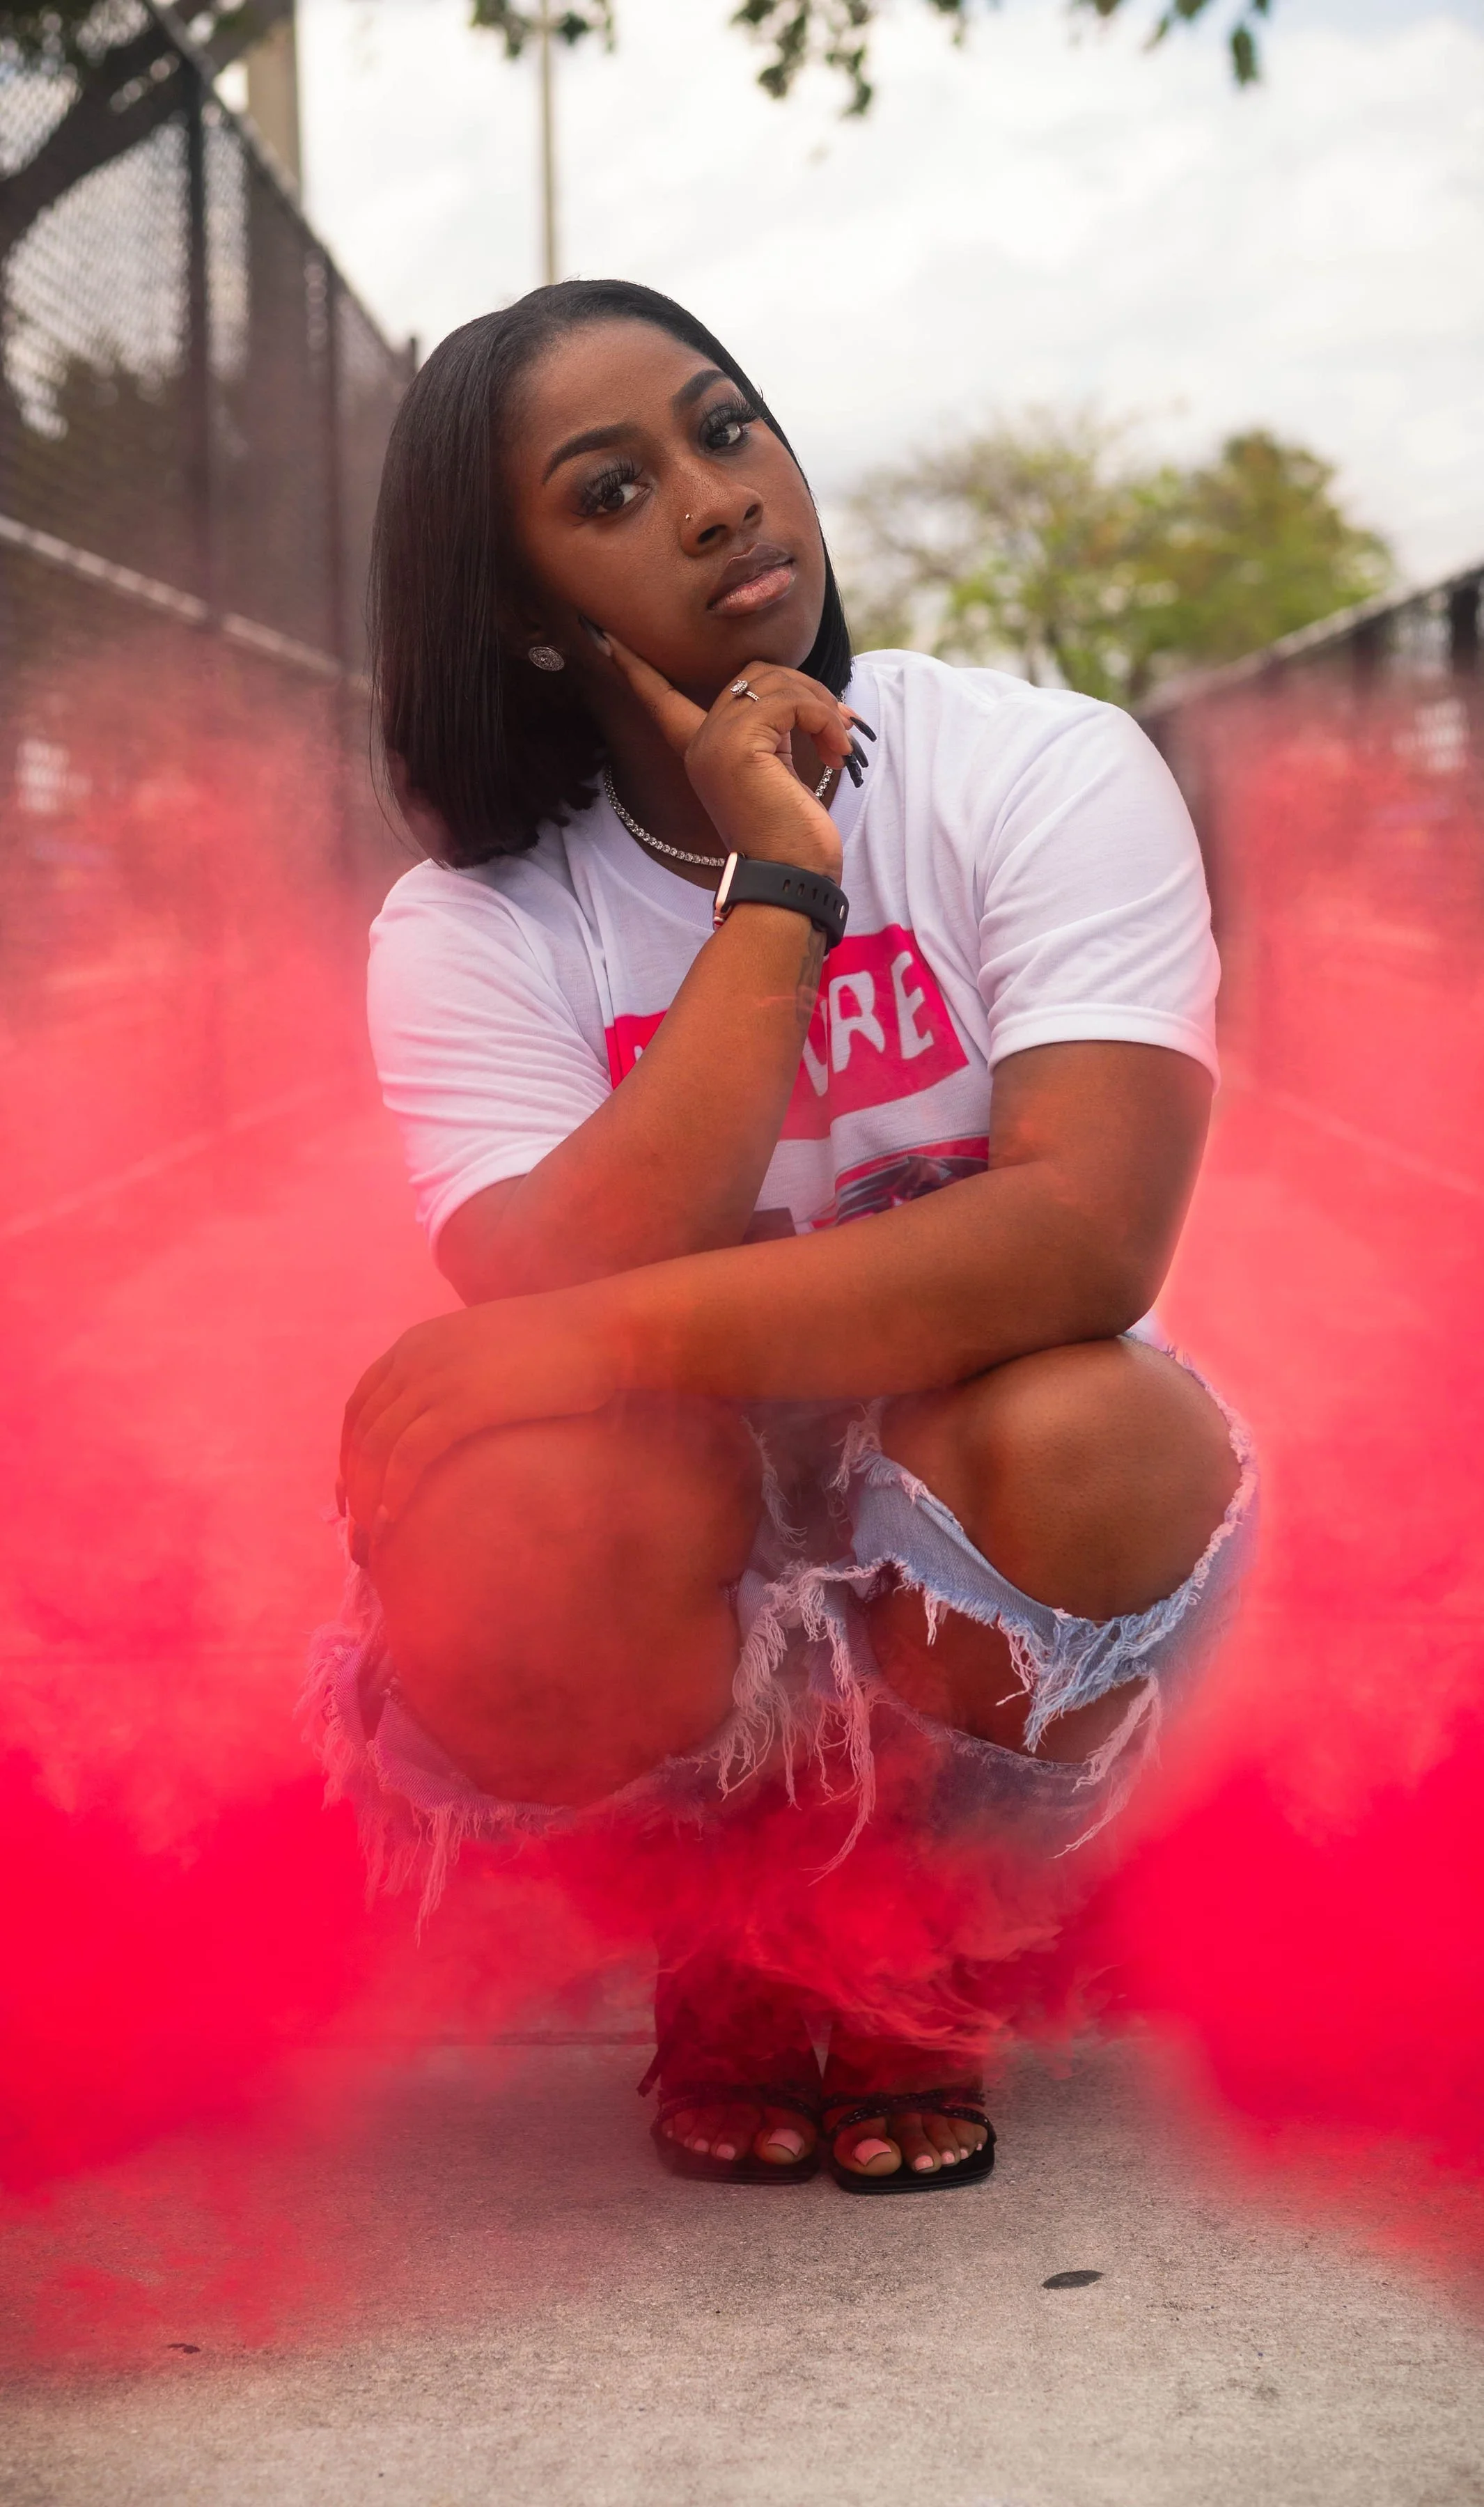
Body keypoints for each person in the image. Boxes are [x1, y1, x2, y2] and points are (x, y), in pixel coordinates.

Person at [320, 279, 1256, 2194]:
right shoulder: (474, 926)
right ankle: (734, 1925)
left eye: (726, 430)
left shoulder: (1038, 768)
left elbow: (1086, 1241)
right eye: (612, 491)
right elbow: (543, 1274)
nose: (717, 499)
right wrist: (778, 891)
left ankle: (914, 1920)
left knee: (1102, 1426)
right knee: (524, 1521)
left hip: (983, 1502)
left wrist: (586, 1342)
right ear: (517, 605)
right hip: (693, 1530)